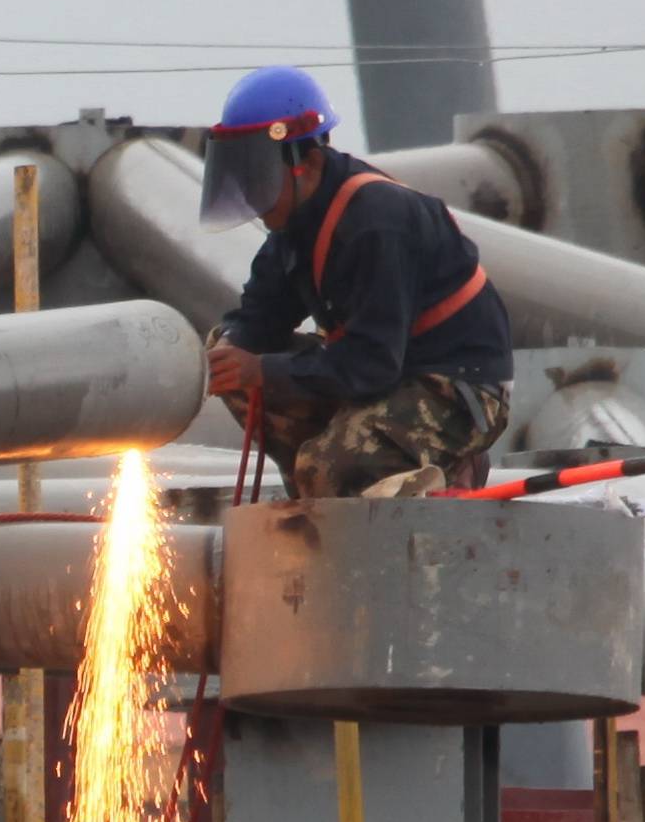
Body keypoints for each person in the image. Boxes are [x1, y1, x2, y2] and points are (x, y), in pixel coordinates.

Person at [198, 64, 512, 498]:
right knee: (230, 356)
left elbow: (371, 362)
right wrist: (237, 346)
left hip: (454, 386)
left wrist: (264, 370)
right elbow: (261, 315)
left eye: (259, 175)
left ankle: (415, 464)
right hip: (383, 374)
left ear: (304, 163)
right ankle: (337, 482)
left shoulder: (376, 223)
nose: (252, 193)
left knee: (327, 467)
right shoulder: (294, 224)